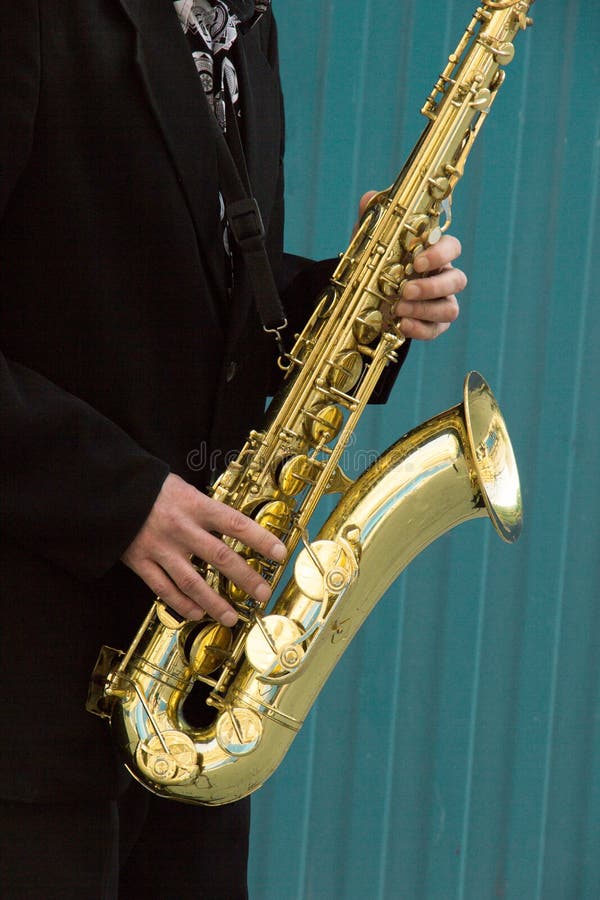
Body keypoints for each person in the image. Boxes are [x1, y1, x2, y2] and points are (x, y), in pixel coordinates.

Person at [0, 1, 466, 897]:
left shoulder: (240, 23)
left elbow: (184, 302)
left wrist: (361, 298)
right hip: (28, 703)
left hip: (190, 686)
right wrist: (121, 500)